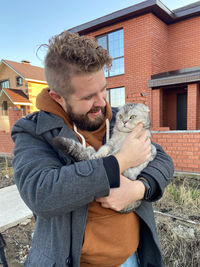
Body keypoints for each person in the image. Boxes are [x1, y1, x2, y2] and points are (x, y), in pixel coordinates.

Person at [11, 31, 174, 267]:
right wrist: (118, 162)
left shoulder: (120, 118)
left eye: (103, 89)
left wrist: (140, 188)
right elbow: (41, 193)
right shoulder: (33, 131)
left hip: (133, 258)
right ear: (58, 97)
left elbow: (163, 160)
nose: (102, 102)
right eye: (88, 96)